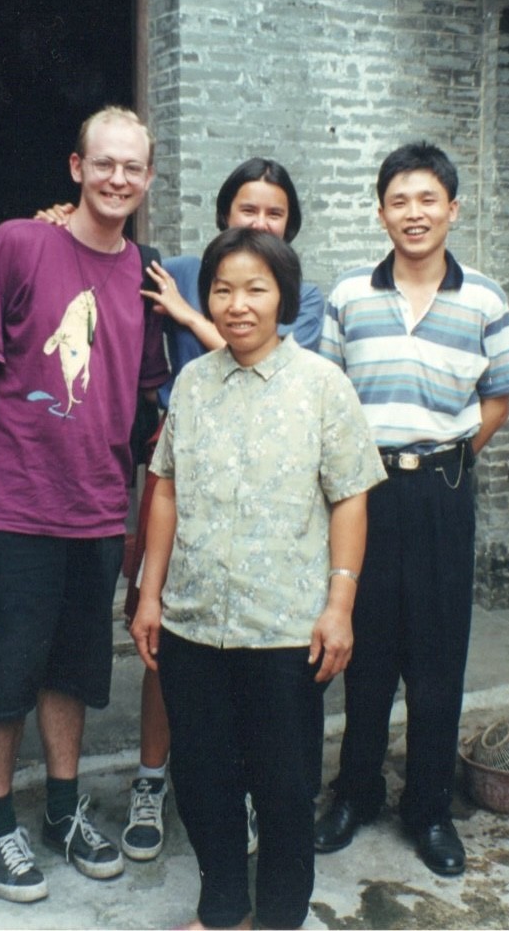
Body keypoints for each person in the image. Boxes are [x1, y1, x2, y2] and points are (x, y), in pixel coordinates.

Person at [0, 106, 170, 903]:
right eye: (104, 162)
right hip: (12, 502)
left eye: (133, 166)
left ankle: (58, 808)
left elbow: (153, 399)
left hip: (94, 510)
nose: (118, 177)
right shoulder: (19, 242)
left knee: (72, 673)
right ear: (75, 167)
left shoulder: (145, 275)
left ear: (149, 179)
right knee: (0, 672)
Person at [71, 157, 327, 862]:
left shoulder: (297, 291)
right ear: (222, 214)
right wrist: (55, 221)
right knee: (167, 637)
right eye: (247, 208)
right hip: (178, 469)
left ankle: (242, 790)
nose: (258, 221)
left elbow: (260, 358)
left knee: (248, 646)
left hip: (267, 486)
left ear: (289, 227)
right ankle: (152, 778)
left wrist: (187, 316)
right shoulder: (176, 266)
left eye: (274, 212)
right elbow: (97, 257)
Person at [129, 226, 384, 930]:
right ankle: (220, 910)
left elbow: (349, 497)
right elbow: (166, 489)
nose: (236, 304)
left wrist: (340, 605)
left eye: (254, 288)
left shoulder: (321, 386)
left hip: (283, 628)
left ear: (282, 298)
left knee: (282, 786)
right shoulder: (191, 382)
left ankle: (275, 917)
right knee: (204, 780)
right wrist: (150, 595)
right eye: (221, 289)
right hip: (192, 619)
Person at [312, 142, 509, 878]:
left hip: (441, 491)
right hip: (363, 492)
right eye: (398, 200)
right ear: (379, 212)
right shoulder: (347, 297)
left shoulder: (484, 299)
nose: (413, 213)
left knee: (436, 655)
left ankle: (428, 807)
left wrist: (453, 454)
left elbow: (495, 399)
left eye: (426, 199)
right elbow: (328, 397)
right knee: (363, 650)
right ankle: (355, 791)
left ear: (451, 209)